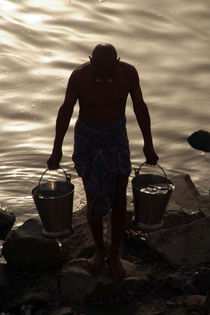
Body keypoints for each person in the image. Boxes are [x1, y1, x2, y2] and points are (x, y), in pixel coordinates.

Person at [47, 43, 159, 280]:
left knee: (119, 198)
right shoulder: (79, 77)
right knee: (93, 195)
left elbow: (139, 106)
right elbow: (66, 109)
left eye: (109, 71)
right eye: (99, 71)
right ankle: (99, 250)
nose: (104, 76)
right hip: (88, 136)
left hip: (116, 136)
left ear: (117, 62)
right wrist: (56, 149)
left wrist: (148, 144)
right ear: (91, 61)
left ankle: (115, 254)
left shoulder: (128, 73)